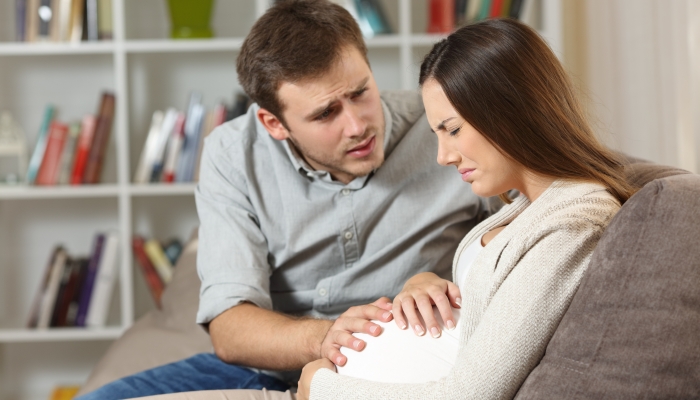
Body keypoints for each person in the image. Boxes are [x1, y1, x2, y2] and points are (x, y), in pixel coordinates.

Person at [76, 1, 498, 399]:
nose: (357, 125)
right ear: (273, 123)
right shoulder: (232, 153)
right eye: (324, 114)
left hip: (403, 356)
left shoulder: (445, 128)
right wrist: (325, 336)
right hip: (272, 365)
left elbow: (522, 225)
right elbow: (230, 327)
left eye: (360, 92)